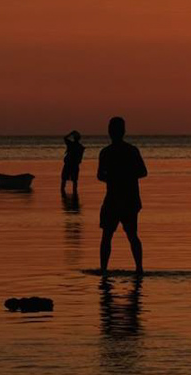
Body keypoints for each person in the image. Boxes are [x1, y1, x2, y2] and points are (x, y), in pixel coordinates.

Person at [96, 116, 146, 276]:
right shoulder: (114, 152)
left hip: (121, 200)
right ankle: (136, 269)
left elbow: (143, 172)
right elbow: (100, 175)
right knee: (126, 235)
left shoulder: (114, 152)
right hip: (121, 200)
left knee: (114, 236)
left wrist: (119, 175)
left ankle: (134, 268)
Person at [61, 130, 85, 198]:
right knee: (74, 181)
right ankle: (74, 193)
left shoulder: (71, 144)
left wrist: (70, 133)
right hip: (74, 165)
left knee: (64, 180)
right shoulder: (80, 147)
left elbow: (65, 138)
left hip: (69, 164)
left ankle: (64, 193)